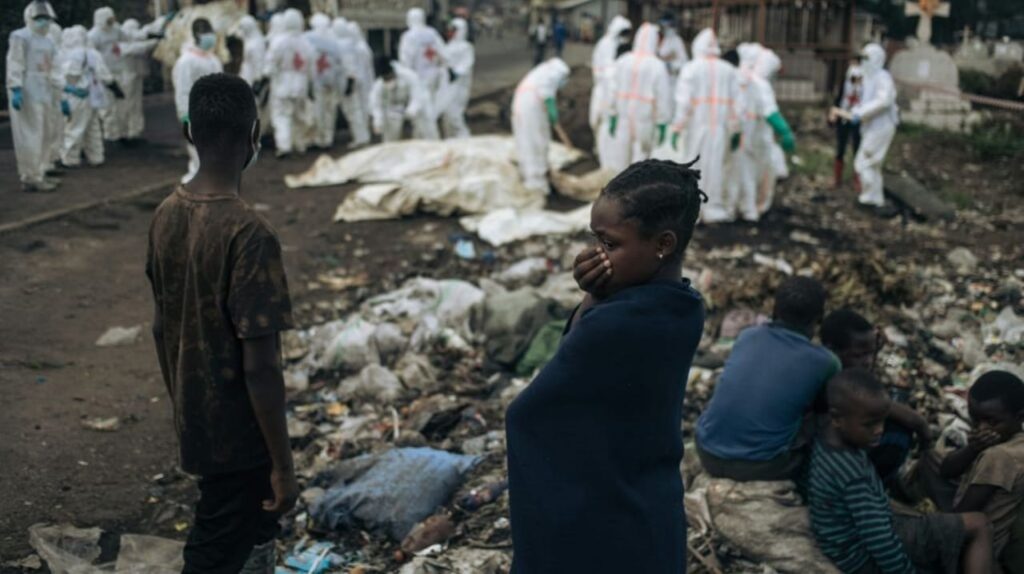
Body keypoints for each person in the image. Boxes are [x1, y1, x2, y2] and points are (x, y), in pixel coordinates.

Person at [507, 159, 707, 573]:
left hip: (603, 514)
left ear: (663, 244)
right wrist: (599, 293)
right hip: (650, 503)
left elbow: (532, 413)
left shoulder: (617, 322)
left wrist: (594, 297)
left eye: (610, 244)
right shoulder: (685, 306)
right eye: (596, 239)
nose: (597, 255)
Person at [146, 72, 297, 574]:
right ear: (254, 135)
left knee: (251, 536)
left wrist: (184, 403)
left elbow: (161, 328)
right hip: (241, 436)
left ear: (189, 133)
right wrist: (283, 464)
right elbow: (261, 366)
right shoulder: (251, 234)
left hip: (197, 421)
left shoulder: (166, 214)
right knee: (214, 551)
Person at [809, 369, 993, 574]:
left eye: (882, 421)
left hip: (844, 545)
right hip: (860, 557)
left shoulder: (826, 438)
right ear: (836, 418)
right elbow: (880, 541)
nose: (879, 430)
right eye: (869, 424)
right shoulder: (853, 476)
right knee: (979, 523)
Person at [696, 276, 839, 481]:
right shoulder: (826, 362)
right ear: (820, 318)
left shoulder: (747, 336)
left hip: (706, 452)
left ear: (774, 311)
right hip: (760, 466)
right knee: (827, 419)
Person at [820, 309, 932, 485]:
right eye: (858, 355)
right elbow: (910, 418)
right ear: (832, 350)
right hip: (833, 459)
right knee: (899, 434)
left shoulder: (832, 367)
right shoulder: (837, 382)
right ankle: (874, 483)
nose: (867, 361)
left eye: (870, 353)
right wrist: (925, 437)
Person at [940, 370, 1024, 571]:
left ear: (1020, 416)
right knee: (931, 460)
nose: (982, 428)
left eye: (992, 422)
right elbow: (947, 470)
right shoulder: (1013, 444)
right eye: (975, 420)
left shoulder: (999, 456)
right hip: (995, 540)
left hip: (977, 549)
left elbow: (960, 518)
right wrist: (972, 448)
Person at [670, 28, 742, 223]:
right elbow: (737, 104)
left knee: (693, 166)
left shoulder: (691, 69)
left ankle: (692, 210)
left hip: (697, 128)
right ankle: (713, 208)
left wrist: (677, 127)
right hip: (720, 128)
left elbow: (684, 103)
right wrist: (736, 129)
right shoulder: (729, 71)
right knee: (716, 167)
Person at [730, 43, 795, 221]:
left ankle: (740, 208)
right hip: (757, 137)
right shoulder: (760, 84)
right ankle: (752, 210)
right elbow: (770, 112)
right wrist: (785, 131)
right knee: (756, 174)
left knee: (741, 173)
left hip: (742, 135)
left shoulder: (738, 78)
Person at [7, 0, 63, 192]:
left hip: (45, 91)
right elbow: (15, 62)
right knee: (31, 134)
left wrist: (60, 92)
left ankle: (41, 171)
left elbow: (54, 68)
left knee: (46, 133)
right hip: (27, 91)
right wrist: (15, 87)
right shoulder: (20, 37)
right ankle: (30, 176)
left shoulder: (48, 41)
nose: (43, 21)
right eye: (39, 18)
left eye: (46, 18)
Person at [603, 22, 672, 172]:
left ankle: (620, 186)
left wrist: (612, 113)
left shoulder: (623, 61)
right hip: (644, 122)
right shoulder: (657, 66)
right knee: (641, 165)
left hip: (623, 120)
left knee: (621, 162)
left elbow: (612, 90)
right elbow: (663, 97)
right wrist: (662, 122)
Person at [172, 18, 223, 184]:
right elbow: (182, 89)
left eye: (210, 31)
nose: (210, 36)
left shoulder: (213, 59)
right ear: (196, 35)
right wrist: (184, 113)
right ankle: (199, 177)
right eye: (205, 32)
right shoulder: (186, 61)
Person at [58, 25, 114, 168]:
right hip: (92, 96)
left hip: (74, 95)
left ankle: (70, 159)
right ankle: (96, 157)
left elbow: (61, 78)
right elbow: (105, 75)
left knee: (74, 128)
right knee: (93, 128)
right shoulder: (93, 53)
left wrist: (63, 98)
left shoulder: (63, 54)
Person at [511, 58, 570, 192]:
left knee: (532, 141)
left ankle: (535, 175)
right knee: (535, 142)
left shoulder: (543, 72)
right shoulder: (557, 72)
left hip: (527, 105)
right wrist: (552, 113)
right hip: (530, 108)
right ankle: (536, 183)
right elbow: (547, 95)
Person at [851, 43, 898, 211]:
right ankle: (875, 198)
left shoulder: (882, 77)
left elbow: (884, 101)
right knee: (872, 164)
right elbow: (866, 100)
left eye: (867, 58)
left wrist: (861, 112)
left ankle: (869, 199)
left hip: (881, 126)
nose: (863, 62)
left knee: (864, 162)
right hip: (872, 126)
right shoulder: (869, 77)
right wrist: (857, 111)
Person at [263, 8, 315, 157]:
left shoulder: (279, 41)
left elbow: (271, 63)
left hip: (282, 84)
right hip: (301, 84)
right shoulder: (306, 42)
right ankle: (300, 144)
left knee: (282, 116)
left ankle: (284, 146)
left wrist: (265, 77)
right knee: (299, 116)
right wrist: (309, 83)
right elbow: (311, 66)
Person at [398, 7, 444, 140]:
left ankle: (426, 138)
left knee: (420, 110)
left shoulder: (408, 36)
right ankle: (422, 136)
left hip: (417, 78)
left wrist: (405, 79)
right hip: (433, 76)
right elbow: (442, 53)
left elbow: (405, 59)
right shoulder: (432, 33)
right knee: (429, 107)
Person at [589, 15, 631, 152]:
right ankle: (600, 148)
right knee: (600, 119)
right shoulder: (607, 44)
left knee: (603, 119)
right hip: (604, 87)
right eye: (624, 34)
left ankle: (602, 148)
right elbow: (609, 70)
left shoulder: (612, 43)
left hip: (607, 86)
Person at [116, 19, 160, 145]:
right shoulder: (120, 44)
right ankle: (124, 132)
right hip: (125, 78)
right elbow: (136, 49)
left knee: (136, 106)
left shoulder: (134, 42)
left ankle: (135, 132)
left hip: (135, 77)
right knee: (126, 106)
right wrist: (154, 42)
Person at [304, 13, 344, 149]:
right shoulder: (334, 39)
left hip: (317, 80)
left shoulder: (308, 38)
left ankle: (318, 138)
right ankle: (328, 138)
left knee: (318, 110)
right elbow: (340, 63)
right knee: (330, 111)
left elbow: (307, 61)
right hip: (332, 80)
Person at [87, 6, 127, 142]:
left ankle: (121, 133)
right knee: (107, 108)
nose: (111, 22)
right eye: (108, 20)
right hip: (103, 76)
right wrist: (104, 78)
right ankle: (110, 136)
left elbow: (128, 37)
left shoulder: (116, 29)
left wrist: (148, 35)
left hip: (118, 70)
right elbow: (93, 60)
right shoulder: (93, 35)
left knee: (120, 106)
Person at [333, 19, 370, 147]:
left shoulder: (342, 45)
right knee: (356, 109)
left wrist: (349, 82)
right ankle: (362, 136)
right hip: (354, 79)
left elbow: (348, 64)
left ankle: (361, 138)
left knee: (353, 111)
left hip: (348, 80)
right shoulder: (351, 43)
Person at [439, 17, 474, 139]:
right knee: (447, 115)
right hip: (447, 86)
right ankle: (450, 139)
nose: (450, 32)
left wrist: (455, 73)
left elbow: (466, 63)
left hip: (459, 86)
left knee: (455, 115)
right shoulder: (448, 46)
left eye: (453, 30)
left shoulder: (466, 47)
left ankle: (464, 138)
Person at [831, 61, 863, 190]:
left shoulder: (864, 89)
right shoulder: (844, 86)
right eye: (852, 79)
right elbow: (838, 101)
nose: (855, 82)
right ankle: (837, 178)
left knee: (858, 149)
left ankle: (858, 178)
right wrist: (834, 115)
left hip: (858, 120)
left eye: (858, 79)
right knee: (840, 148)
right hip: (844, 118)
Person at [370, 57, 415, 142]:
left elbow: (416, 97)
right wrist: (378, 122)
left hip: (410, 108)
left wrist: (410, 113)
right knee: (391, 135)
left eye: (390, 77)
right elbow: (376, 105)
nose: (389, 81)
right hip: (393, 112)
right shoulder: (379, 86)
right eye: (386, 79)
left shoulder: (408, 77)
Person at [349, 22, 375, 146]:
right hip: (366, 80)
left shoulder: (357, 48)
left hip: (360, 82)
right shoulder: (364, 46)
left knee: (359, 108)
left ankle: (363, 135)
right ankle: (366, 131)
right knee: (365, 106)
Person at [657, 13, 688, 86]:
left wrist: (670, 66)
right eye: (663, 26)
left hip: (673, 81)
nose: (665, 28)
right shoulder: (663, 40)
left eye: (667, 26)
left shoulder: (677, 40)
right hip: (661, 79)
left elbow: (684, 61)